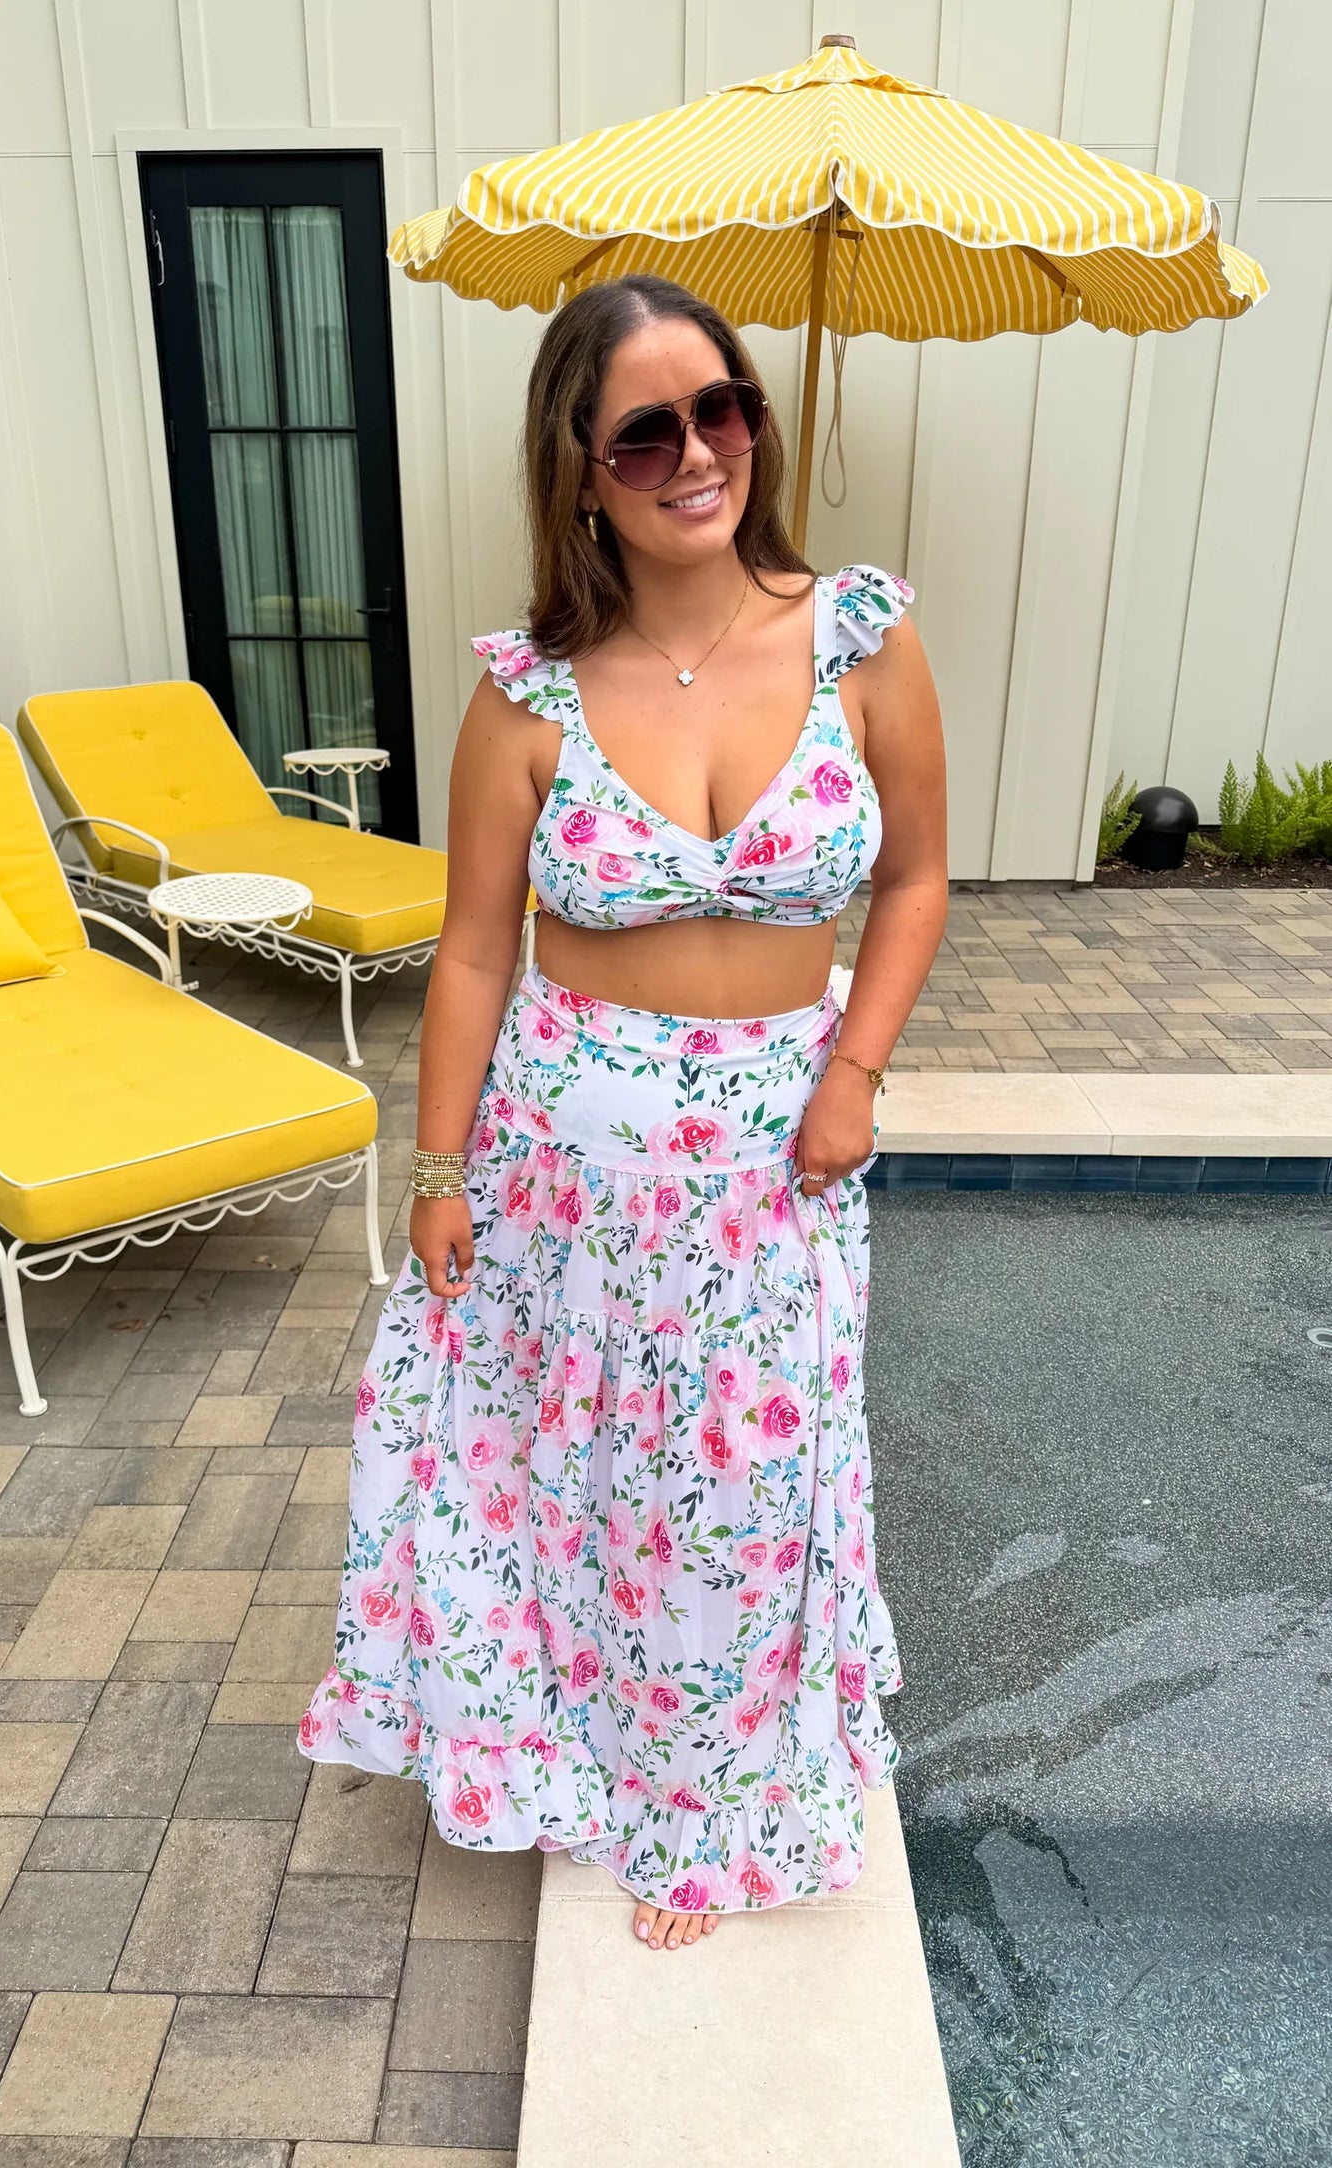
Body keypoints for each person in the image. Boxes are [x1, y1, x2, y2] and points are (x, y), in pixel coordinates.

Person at [298, 272, 948, 1955]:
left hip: (774, 1155)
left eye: (719, 408)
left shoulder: (859, 639)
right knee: (570, 1481)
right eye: (644, 432)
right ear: (580, 473)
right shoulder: (525, 692)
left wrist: (854, 1070)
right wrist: (435, 1168)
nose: (696, 453)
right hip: (563, 1163)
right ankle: (588, 1766)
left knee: (744, 1491)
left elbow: (915, 878)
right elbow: (471, 950)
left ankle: (713, 1795)